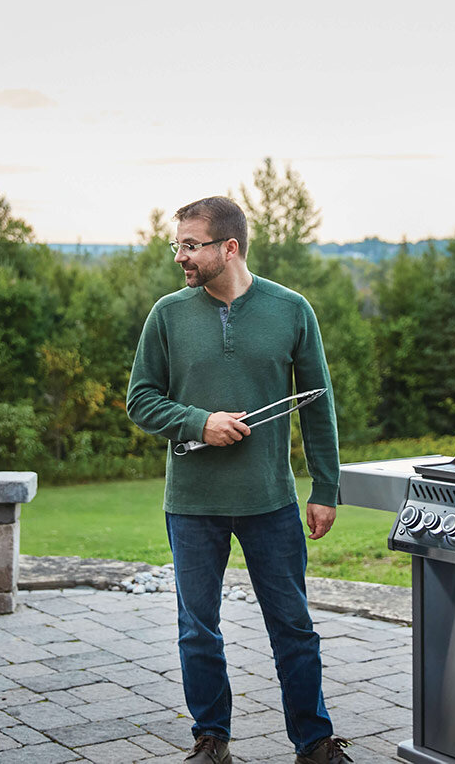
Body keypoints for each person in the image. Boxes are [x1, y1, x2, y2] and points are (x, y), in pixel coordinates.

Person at [127, 196, 352, 764]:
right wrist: (199, 421)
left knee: (293, 627)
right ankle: (211, 740)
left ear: (229, 248)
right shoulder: (168, 315)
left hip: (269, 502)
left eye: (190, 245)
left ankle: (315, 741)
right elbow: (141, 401)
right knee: (197, 629)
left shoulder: (292, 310)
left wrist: (325, 488)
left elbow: (318, 407)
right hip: (192, 503)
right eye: (176, 244)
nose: (180, 255)